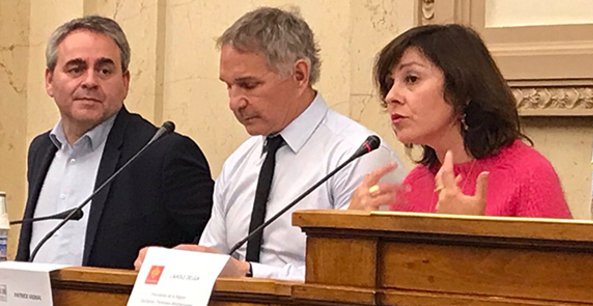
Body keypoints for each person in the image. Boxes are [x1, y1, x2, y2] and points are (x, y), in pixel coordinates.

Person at [134, 7, 404, 280]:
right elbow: (212, 260)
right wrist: (172, 263)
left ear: (299, 75)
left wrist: (249, 273)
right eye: (228, 86)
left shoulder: (358, 154)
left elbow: (357, 274)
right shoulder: (240, 162)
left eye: (248, 85)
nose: (234, 102)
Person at [16, 15, 215, 269]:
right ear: (49, 80)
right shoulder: (41, 149)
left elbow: (214, 249)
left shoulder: (163, 153)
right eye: (76, 68)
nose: (90, 81)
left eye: (104, 70)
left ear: (125, 81)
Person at [349, 24, 572, 218]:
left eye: (412, 79)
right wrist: (352, 231)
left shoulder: (529, 174)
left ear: (461, 89)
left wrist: (469, 232)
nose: (391, 96)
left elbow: (563, 267)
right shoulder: (415, 183)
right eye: (390, 83)